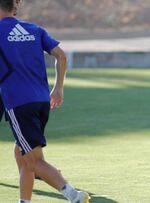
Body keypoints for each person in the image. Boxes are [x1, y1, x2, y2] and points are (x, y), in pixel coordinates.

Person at [0, 0, 90, 202]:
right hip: (41, 100)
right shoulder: (34, 29)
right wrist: (58, 88)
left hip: (18, 102)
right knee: (22, 153)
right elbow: (61, 55)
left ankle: (73, 195)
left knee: (34, 160)